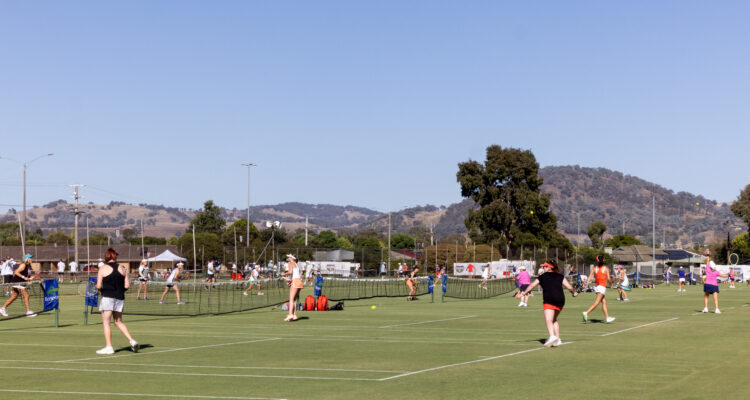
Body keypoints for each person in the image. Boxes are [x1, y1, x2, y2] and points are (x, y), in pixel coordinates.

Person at [518, 260, 578, 347]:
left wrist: (523, 293)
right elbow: (569, 287)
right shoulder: (560, 276)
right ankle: (558, 339)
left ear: (550, 267)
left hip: (549, 299)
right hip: (560, 300)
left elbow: (531, 286)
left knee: (548, 320)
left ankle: (552, 336)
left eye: (545, 266)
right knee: (554, 319)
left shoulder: (542, 277)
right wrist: (574, 293)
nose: (543, 267)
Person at [95, 248, 138, 355]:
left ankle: (109, 347)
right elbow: (127, 285)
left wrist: (100, 290)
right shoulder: (123, 268)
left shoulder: (103, 268)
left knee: (106, 323)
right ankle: (132, 341)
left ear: (106, 256)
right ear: (115, 256)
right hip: (120, 297)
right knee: (118, 321)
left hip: (107, 297)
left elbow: (99, 286)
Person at [582, 255, 615, 323]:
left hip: (596, 287)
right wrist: (611, 284)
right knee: (597, 303)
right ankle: (586, 313)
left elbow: (590, 276)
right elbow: (608, 278)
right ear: (603, 260)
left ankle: (607, 317)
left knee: (604, 302)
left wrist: (586, 284)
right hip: (601, 287)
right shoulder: (606, 268)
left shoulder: (595, 268)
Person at [702, 249, 728, 314]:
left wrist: (707, 254)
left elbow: (707, 261)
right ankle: (716, 309)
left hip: (707, 284)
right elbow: (723, 276)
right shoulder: (716, 272)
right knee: (715, 298)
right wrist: (729, 275)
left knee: (706, 296)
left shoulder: (707, 268)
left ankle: (706, 308)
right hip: (714, 285)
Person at [282, 254, 303, 322]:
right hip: (299, 282)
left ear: (292, 258)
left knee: (291, 299)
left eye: (289, 256)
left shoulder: (290, 263)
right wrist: (289, 280)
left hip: (296, 282)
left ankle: (290, 314)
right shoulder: (296, 264)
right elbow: (297, 275)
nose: (288, 257)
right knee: (294, 300)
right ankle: (294, 315)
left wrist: (284, 274)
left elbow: (290, 272)